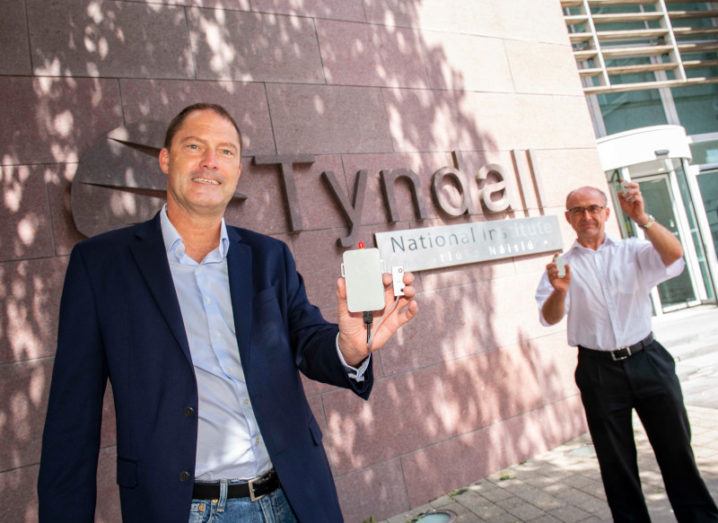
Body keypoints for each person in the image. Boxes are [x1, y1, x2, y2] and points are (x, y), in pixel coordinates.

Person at [38, 103, 418, 522]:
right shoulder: (101, 265)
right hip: (184, 510)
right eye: (194, 146)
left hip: (293, 497)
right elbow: (71, 424)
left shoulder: (268, 257)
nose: (210, 162)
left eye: (226, 152)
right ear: (166, 159)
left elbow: (308, 342)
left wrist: (349, 348)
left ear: (236, 172)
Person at [535, 183, 718, 522]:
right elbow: (549, 317)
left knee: (677, 451)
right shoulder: (561, 266)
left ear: (606, 213)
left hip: (649, 359)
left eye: (593, 208)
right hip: (598, 370)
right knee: (616, 463)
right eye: (578, 210)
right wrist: (560, 292)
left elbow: (674, 255)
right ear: (568, 219)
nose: (586, 215)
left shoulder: (633, 250)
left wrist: (642, 218)